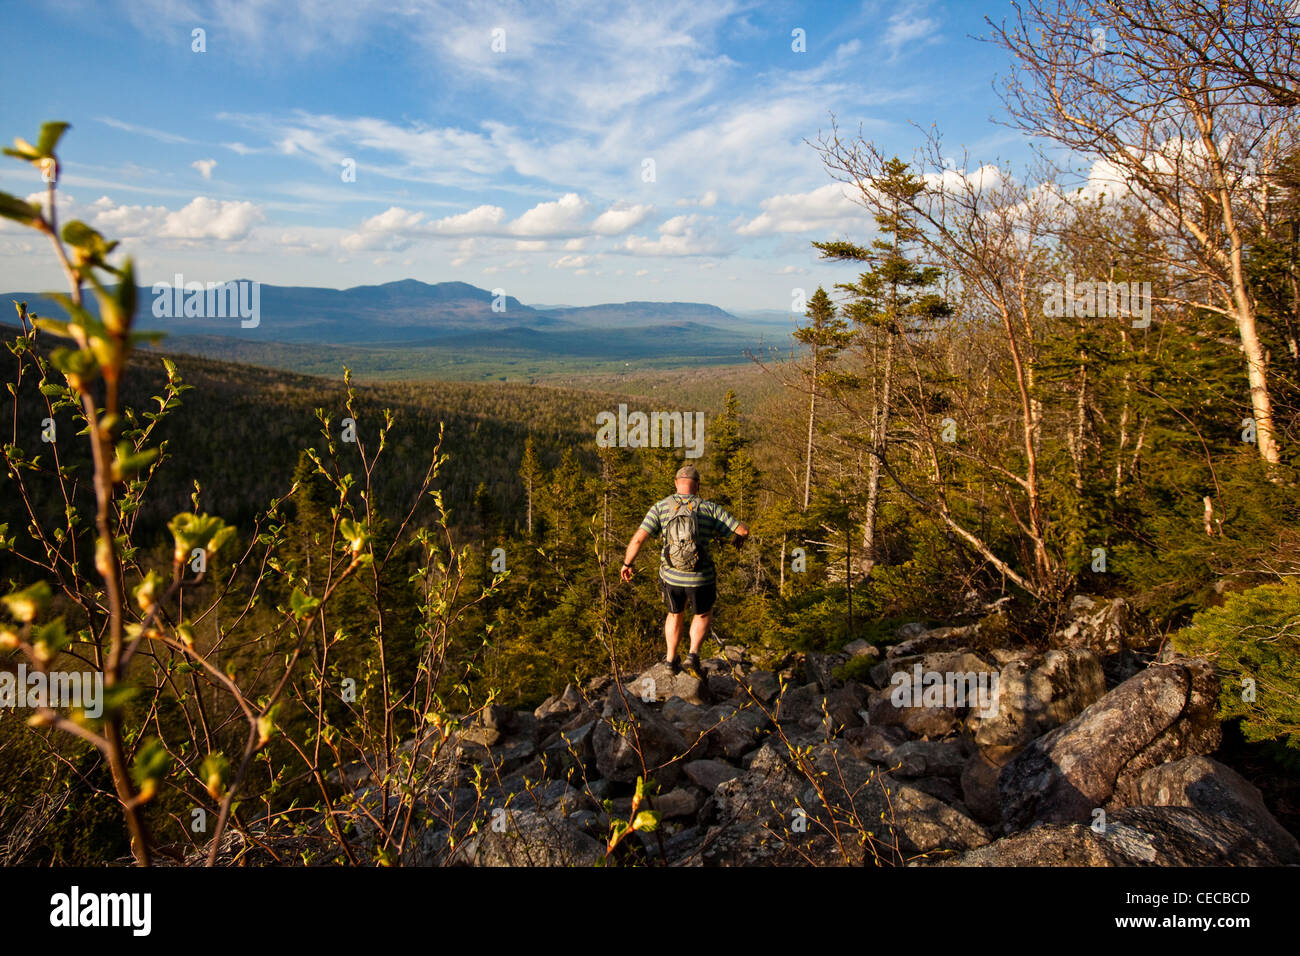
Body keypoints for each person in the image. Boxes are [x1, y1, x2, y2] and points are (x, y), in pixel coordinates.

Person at [620, 464, 749, 677]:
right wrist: (738, 538)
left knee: (674, 613)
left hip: (671, 577)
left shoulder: (660, 507)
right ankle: (693, 655)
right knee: (702, 613)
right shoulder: (710, 508)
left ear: (676, 483)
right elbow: (742, 530)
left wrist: (627, 564)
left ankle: (671, 660)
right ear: (697, 486)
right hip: (701, 578)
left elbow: (637, 540)